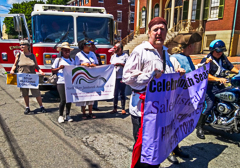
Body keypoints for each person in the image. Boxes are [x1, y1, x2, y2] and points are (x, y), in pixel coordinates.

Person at [122, 17, 185, 168]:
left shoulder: (165, 53)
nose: (159, 33)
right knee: (144, 150)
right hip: (142, 110)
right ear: (149, 33)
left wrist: (176, 73)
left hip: (161, 111)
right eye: (155, 29)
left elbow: (165, 76)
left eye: (162, 29)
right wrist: (150, 75)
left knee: (157, 148)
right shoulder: (140, 51)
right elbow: (127, 77)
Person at [169, 32, 204, 164]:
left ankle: (176, 148)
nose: (194, 47)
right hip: (176, 98)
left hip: (186, 97)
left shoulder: (188, 58)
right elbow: (172, 78)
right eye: (193, 45)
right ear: (188, 46)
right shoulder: (174, 58)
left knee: (180, 123)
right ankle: (170, 150)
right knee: (173, 124)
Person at [197, 40, 240, 139]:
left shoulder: (223, 58)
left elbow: (231, 67)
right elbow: (203, 74)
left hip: (220, 85)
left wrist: (239, 72)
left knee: (232, 96)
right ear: (212, 50)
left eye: (221, 50)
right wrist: (217, 79)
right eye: (218, 51)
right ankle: (200, 127)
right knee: (209, 104)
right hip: (209, 87)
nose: (220, 52)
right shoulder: (207, 59)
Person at [10, 40, 47, 114]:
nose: (21, 46)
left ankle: (41, 106)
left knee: (37, 93)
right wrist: (12, 70)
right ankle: (27, 107)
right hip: (22, 77)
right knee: (25, 93)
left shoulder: (32, 56)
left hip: (32, 77)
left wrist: (41, 71)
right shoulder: (19, 55)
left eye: (23, 45)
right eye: (20, 45)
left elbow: (36, 66)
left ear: (28, 46)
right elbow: (14, 64)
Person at [75, 39, 99, 119]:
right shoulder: (78, 55)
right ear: (84, 46)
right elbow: (75, 66)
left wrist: (93, 65)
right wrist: (82, 64)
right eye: (88, 45)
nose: (90, 46)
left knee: (91, 95)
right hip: (83, 77)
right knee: (83, 95)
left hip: (91, 77)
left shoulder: (92, 54)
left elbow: (96, 64)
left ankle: (90, 112)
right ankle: (84, 112)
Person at [51, 42, 75, 123]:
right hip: (61, 81)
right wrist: (59, 68)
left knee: (69, 99)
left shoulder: (72, 60)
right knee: (63, 99)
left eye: (68, 50)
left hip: (70, 82)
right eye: (65, 50)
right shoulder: (58, 60)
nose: (66, 52)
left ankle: (67, 115)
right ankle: (61, 115)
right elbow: (52, 70)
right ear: (62, 51)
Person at [110, 42, 128, 115]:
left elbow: (128, 66)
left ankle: (123, 108)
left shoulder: (125, 56)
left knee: (122, 93)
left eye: (115, 48)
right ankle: (115, 108)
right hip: (114, 77)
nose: (114, 49)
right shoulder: (113, 56)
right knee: (115, 93)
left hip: (122, 77)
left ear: (120, 49)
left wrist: (120, 64)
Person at [90, 40, 102, 111]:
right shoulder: (85, 55)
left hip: (95, 75)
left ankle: (95, 106)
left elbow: (100, 64)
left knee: (96, 91)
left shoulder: (97, 56)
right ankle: (85, 107)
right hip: (87, 76)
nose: (94, 48)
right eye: (93, 47)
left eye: (94, 47)